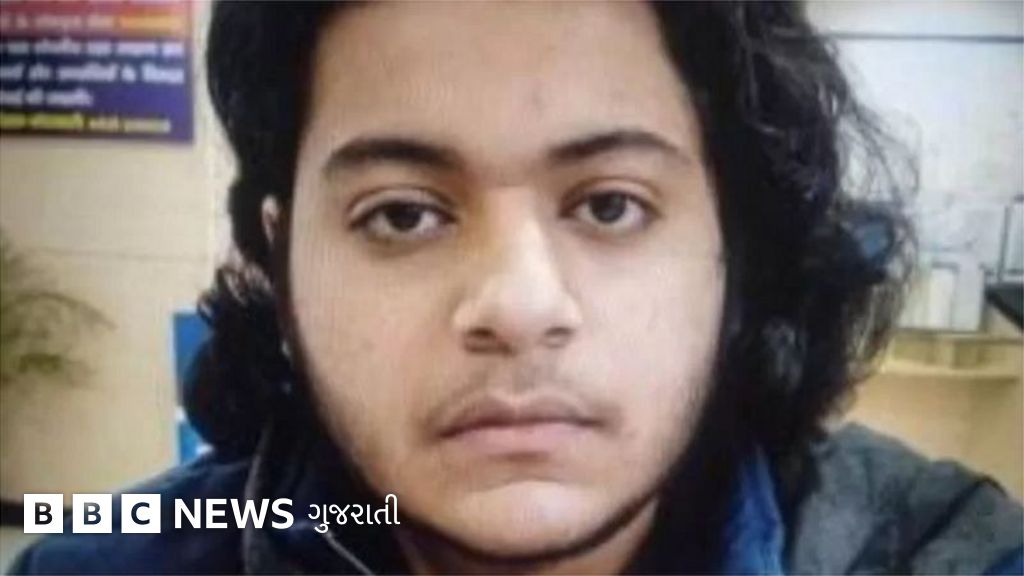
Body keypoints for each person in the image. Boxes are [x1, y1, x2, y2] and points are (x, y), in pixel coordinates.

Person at [13, 2, 1023, 574]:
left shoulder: (946, 555)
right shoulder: (106, 564)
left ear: (736, 246)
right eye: (402, 215)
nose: (519, 305)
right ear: (280, 265)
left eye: (611, 205)